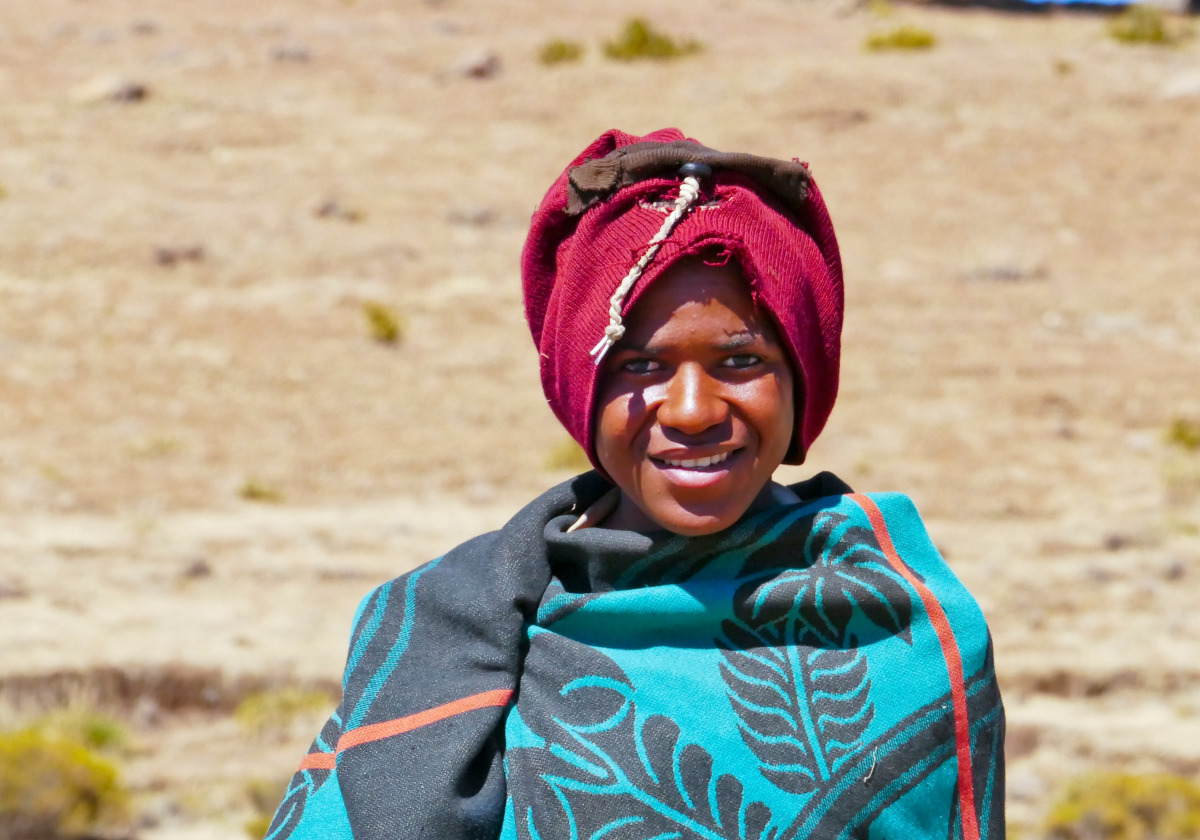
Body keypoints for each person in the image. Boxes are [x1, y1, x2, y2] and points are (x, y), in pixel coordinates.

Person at [266, 129, 1005, 840]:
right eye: (639, 366)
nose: (691, 412)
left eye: (741, 363)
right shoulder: (442, 633)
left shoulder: (901, 634)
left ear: (801, 379)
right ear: (580, 391)